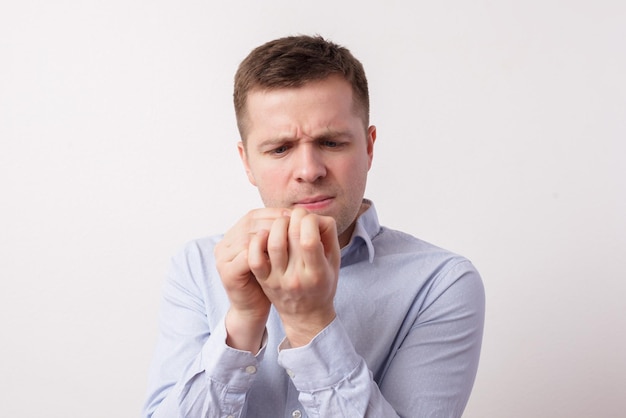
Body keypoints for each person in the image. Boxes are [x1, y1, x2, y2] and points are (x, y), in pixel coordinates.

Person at [143, 35, 485, 418]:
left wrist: (310, 323)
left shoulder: (441, 283)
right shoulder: (196, 266)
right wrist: (240, 323)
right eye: (280, 148)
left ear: (369, 148)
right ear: (247, 162)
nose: (309, 171)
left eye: (332, 142)